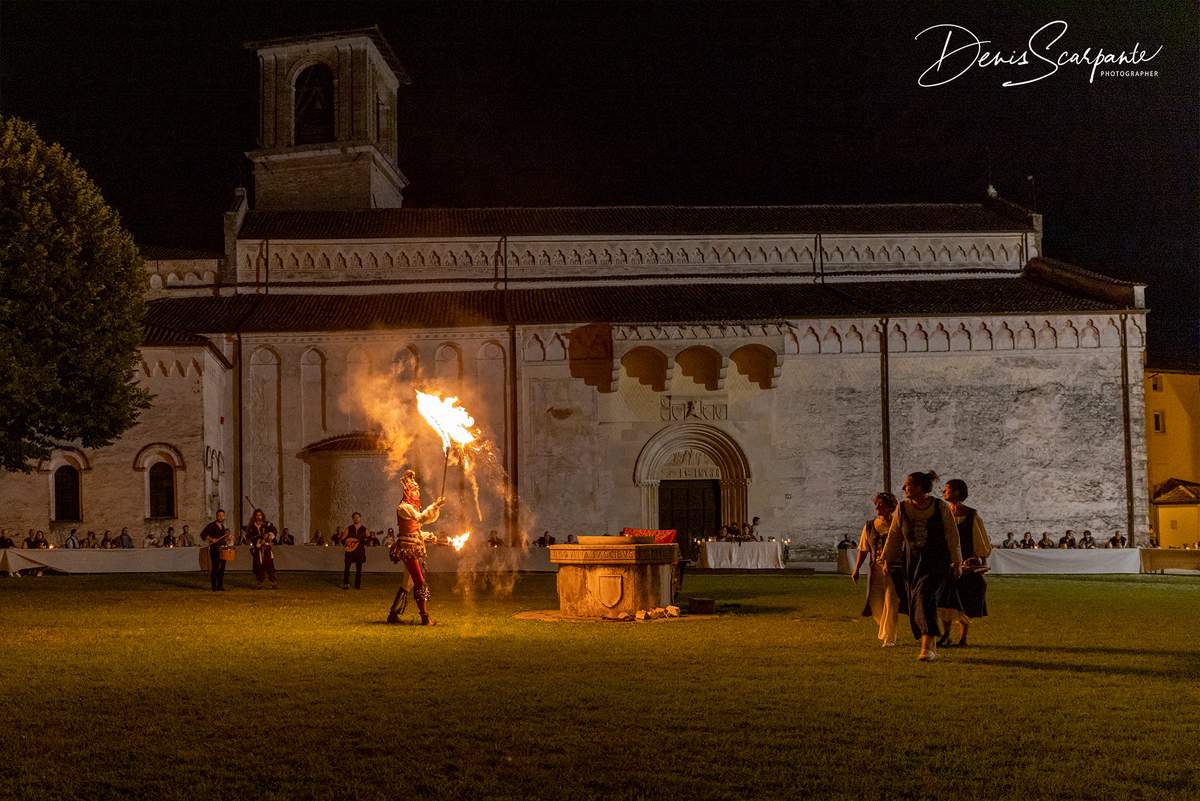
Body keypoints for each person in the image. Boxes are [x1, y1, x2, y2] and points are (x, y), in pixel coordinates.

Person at [882, 470, 961, 662]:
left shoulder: (941, 507)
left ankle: (927, 647)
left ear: (920, 487)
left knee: (925, 596)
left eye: (909, 484)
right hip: (912, 563)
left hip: (937, 562)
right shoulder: (902, 508)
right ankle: (929, 641)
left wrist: (957, 562)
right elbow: (894, 535)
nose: (904, 488)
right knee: (916, 600)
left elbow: (952, 535)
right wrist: (887, 559)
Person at [937, 479, 991, 648]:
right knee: (945, 599)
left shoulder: (971, 515)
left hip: (966, 562)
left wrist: (981, 561)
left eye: (947, 489)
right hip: (946, 562)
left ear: (957, 492)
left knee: (963, 599)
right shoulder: (943, 513)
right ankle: (946, 634)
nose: (944, 492)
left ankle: (963, 638)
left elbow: (980, 540)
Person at [387, 469, 446, 626]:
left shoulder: (412, 507)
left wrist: (429, 536)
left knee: (408, 583)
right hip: (408, 549)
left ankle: (393, 614)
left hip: (414, 546)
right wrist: (435, 505)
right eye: (414, 490)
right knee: (419, 581)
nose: (417, 493)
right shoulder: (404, 507)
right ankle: (425, 618)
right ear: (407, 491)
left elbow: (416, 529)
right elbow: (421, 518)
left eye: (418, 490)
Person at [851, 492, 900, 647]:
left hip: (893, 569)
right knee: (876, 603)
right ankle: (885, 629)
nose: (877, 508)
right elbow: (863, 549)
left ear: (890, 507)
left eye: (881, 505)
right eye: (876, 505)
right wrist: (856, 569)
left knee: (891, 602)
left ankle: (889, 637)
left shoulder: (897, 524)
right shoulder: (870, 526)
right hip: (876, 570)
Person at [245, 509, 278, 589]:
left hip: (266, 548)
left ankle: (273, 582)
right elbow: (249, 537)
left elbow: (274, 531)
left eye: (260, 515)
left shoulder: (267, 524)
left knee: (269, 564)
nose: (258, 517)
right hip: (258, 548)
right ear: (255, 516)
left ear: (262, 516)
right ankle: (259, 583)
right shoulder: (252, 527)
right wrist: (259, 541)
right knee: (258, 565)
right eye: (257, 515)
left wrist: (268, 535)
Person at [200, 510, 231, 592]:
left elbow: (222, 539)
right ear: (216, 516)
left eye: (222, 515)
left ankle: (220, 585)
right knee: (215, 568)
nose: (221, 517)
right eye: (219, 515)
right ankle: (214, 587)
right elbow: (203, 534)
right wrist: (211, 539)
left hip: (222, 550)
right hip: (214, 549)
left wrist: (227, 540)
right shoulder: (211, 525)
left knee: (222, 568)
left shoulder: (223, 527)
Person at [343, 512, 368, 590]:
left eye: (358, 517)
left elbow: (368, 540)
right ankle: (346, 583)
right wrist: (348, 544)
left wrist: (367, 540)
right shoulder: (349, 528)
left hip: (360, 551)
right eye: (355, 517)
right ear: (353, 519)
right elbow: (343, 539)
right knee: (347, 567)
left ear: (360, 518)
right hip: (350, 551)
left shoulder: (364, 529)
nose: (356, 519)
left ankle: (357, 585)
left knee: (359, 568)